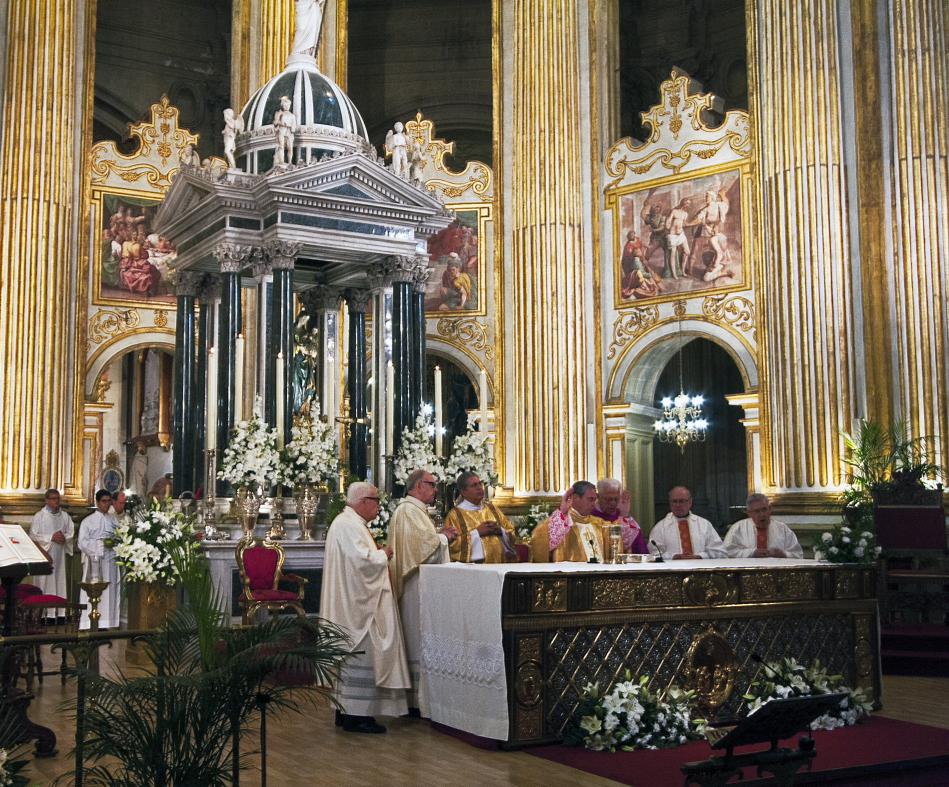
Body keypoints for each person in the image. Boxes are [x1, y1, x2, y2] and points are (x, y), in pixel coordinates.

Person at [320, 482, 410, 734]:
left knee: (356, 657)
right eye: (376, 501)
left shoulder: (348, 523)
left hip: (352, 601)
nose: (378, 507)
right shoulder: (348, 525)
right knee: (364, 654)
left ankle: (345, 710)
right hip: (358, 608)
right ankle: (357, 715)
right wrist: (384, 555)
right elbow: (362, 562)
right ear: (362, 501)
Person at [389, 469, 457, 713]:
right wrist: (444, 537)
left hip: (422, 583)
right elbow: (420, 547)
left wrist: (440, 537)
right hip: (416, 584)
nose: (435, 489)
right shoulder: (408, 511)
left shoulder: (414, 511)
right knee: (417, 636)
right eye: (432, 484)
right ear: (418, 485)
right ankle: (417, 699)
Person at [445, 471, 517, 563]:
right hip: (475, 569)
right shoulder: (455, 515)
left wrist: (500, 531)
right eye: (474, 485)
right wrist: (477, 533)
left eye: (480, 484)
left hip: (500, 563)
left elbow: (512, 533)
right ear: (463, 492)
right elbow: (453, 545)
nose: (479, 488)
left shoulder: (493, 509)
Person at [530, 480, 609, 563]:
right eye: (590, 499)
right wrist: (563, 513)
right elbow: (540, 539)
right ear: (575, 498)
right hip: (571, 575)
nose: (594, 504)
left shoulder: (599, 523)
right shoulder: (561, 522)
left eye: (595, 500)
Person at [78, 489, 121, 630]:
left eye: (109, 501)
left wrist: (114, 543)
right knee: (94, 589)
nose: (107, 504)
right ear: (97, 502)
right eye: (104, 501)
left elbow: (120, 537)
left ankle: (109, 621)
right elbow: (82, 542)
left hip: (111, 560)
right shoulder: (88, 521)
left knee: (111, 589)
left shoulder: (114, 520)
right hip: (95, 562)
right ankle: (89, 621)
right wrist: (99, 545)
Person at [29, 489, 74, 617]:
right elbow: (33, 536)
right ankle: (43, 615)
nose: (56, 501)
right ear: (46, 500)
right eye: (53, 499)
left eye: (58, 498)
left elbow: (71, 532)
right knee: (45, 582)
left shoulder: (64, 516)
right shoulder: (40, 516)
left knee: (59, 581)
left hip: (59, 557)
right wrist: (51, 537)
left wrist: (64, 537)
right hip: (45, 555)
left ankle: (58, 613)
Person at [649, 486, 726, 559]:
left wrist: (700, 556)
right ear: (670, 503)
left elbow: (719, 552)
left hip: (700, 570)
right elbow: (653, 554)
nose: (678, 505)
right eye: (674, 501)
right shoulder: (660, 527)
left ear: (690, 502)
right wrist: (673, 557)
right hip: (672, 571)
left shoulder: (704, 525)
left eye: (682, 501)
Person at [724, 493, 803, 559]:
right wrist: (752, 553)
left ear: (770, 509)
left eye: (764, 509)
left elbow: (798, 554)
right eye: (757, 511)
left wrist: (783, 554)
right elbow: (726, 553)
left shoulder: (783, 529)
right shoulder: (738, 529)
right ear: (749, 513)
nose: (762, 514)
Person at [592, 479, 648, 554]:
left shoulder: (624, 517)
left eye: (616, 499)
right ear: (598, 496)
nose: (612, 503)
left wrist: (624, 517)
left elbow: (641, 551)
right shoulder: (590, 516)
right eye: (608, 499)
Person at [663, 198, 692, 279]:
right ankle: (674, 274)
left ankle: (683, 271)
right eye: (687, 203)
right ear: (683, 203)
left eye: (689, 204)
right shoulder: (674, 211)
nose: (688, 205)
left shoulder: (685, 214)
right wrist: (667, 225)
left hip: (681, 235)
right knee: (673, 254)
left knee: (687, 252)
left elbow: (685, 224)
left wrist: (693, 223)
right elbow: (668, 220)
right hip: (672, 236)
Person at [273, 96, 297, 166]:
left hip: (289, 132)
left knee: (290, 148)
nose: (286, 106)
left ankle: (290, 162)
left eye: (288, 105)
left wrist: (289, 126)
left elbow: (294, 126)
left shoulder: (292, 116)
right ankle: (281, 162)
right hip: (282, 131)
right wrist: (280, 122)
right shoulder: (279, 113)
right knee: (281, 146)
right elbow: (275, 123)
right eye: (285, 105)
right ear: (282, 106)